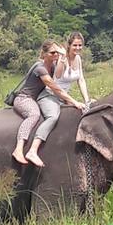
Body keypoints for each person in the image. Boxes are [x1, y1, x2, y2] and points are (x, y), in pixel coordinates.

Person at [12, 39, 84, 168]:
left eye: (57, 53)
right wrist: (73, 101)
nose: (55, 55)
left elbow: (66, 72)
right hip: (25, 98)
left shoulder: (53, 66)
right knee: (34, 115)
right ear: (44, 54)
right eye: (52, 53)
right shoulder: (40, 68)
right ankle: (19, 149)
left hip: (36, 98)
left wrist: (63, 55)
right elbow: (55, 87)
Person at [53, 30, 91, 107]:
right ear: (69, 45)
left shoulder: (78, 58)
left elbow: (81, 80)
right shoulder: (62, 58)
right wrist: (63, 58)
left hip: (66, 96)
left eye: (80, 45)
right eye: (75, 45)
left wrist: (87, 100)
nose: (78, 48)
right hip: (54, 95)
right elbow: (57, 76)